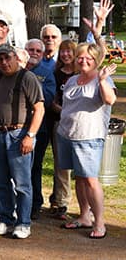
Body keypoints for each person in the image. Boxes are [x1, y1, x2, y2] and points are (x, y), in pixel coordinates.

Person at [57, 42, 116, 240]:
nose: (84, 61)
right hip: (67, 134)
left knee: (91, 179)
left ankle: (99, 222)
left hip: (89, 136)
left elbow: (110, 100)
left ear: (96, 60)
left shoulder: (103, 79)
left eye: (89, 58)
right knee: (79, 177)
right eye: (80, 57)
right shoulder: (73, 79)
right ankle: (84, 216)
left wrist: (101, 81)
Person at [0, 44, 44, 239]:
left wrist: (31, 136)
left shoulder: (27, 77)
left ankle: (23, 223)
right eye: (0, 59)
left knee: (22, 183)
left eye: (7, 58)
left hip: (19, 134)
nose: (4, 62)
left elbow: (39, 108)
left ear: (15, 57)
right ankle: (5, 219)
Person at [24, 38, 56, 219]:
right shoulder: (16, 68)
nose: (34, 53)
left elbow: (48, 98)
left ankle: (35, 203)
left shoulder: (46, 73)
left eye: (38, 51)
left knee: (34, 166)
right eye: (31, 49)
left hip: (39, 128)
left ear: (42, 54)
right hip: (16, 126)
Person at [48, 39, 76, 220]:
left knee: (66, 165)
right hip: (58, 121)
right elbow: (53, 101)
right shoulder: (56, 73)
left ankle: (62, 200)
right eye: (63, 51)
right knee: (60, 164)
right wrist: (64, 110)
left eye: (69, 51)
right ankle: (58, 201)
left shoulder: (81, 73)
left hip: (75, 125)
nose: (66, 54)